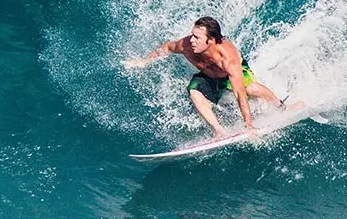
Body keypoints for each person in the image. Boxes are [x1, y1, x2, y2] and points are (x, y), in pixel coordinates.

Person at [122, 16, 287, 139]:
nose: (191, 40)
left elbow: (239, 95)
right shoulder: (186, 45)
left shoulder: (227, 59)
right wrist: (143, 61)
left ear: (211, 40)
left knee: (250, 88)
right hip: (209, 76)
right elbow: (167, 47)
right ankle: (219, 131)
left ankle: (280, 107)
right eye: (192, 35)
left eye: (197, 38)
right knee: (194, 92)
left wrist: (248, 125)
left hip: (227, 74)